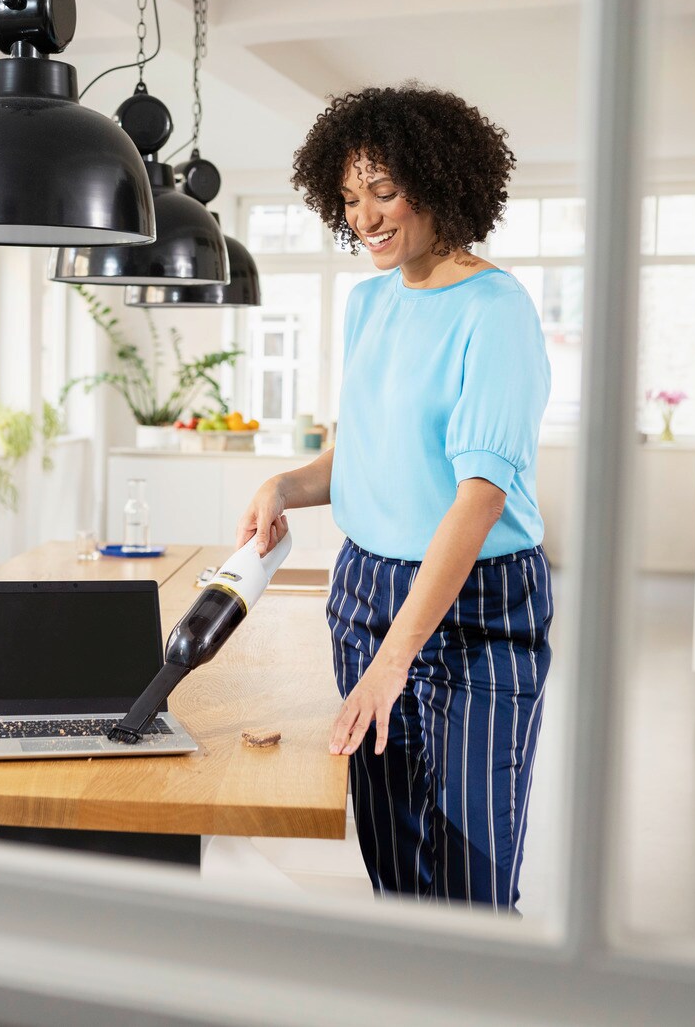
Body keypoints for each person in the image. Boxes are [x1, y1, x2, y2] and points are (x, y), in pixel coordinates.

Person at [236, 84, 552, 909]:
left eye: (383, 190)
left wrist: (394, 660)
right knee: (394, 863)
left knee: (469, 881)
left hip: (474, 606)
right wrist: (286, 484)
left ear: (440, 183)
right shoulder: (368, 302)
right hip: (365, 589)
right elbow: (365, 448)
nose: (366, 216)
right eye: (349, 198)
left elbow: (479, 497)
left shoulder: (497, 311)